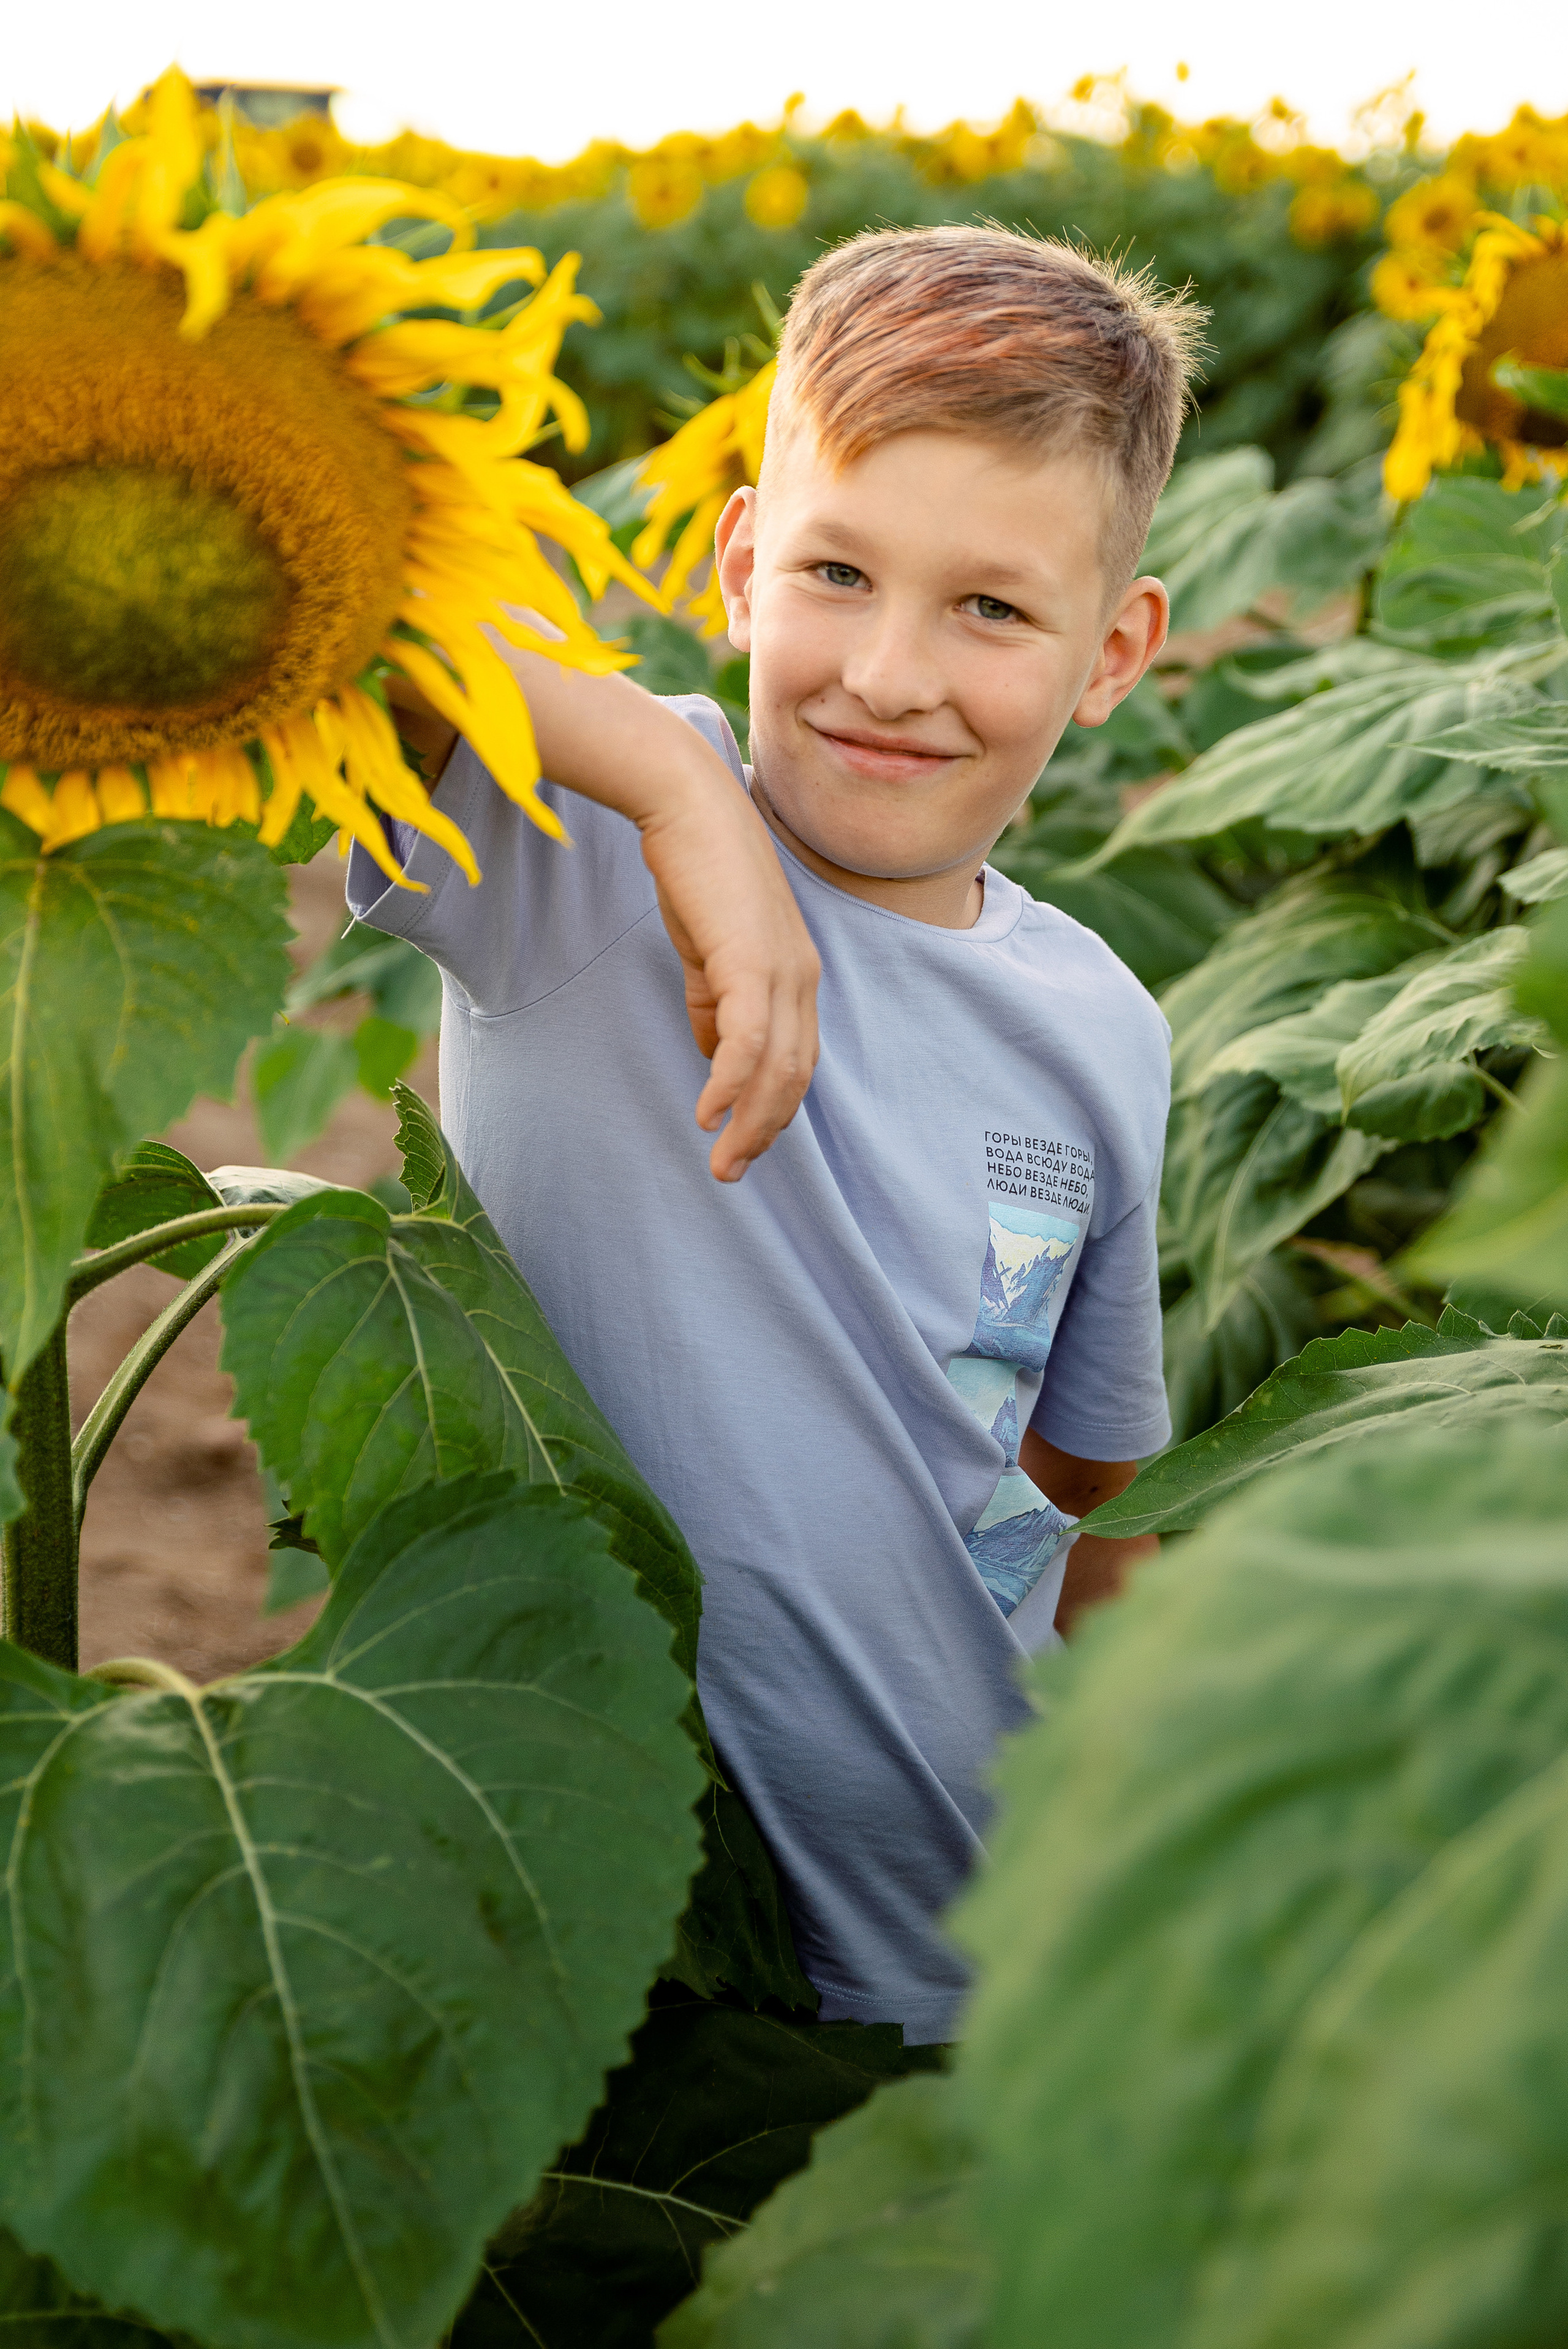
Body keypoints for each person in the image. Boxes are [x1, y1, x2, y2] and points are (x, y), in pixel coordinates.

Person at [352, 225, 1202, 2043]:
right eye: (836, 571)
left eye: (991, 607)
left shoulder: (1104, 1030)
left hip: (975, 1911)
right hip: (592, 1908)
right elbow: (344, 610)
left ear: (1115, 649)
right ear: (741, 563)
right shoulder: (571, 859)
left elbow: (1098, 1486)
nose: (891, 675)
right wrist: (675, 788)